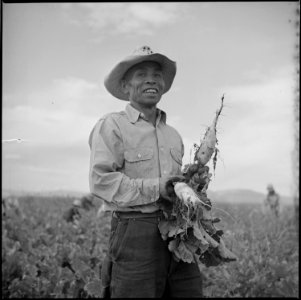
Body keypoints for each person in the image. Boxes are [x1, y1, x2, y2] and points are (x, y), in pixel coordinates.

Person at [89, 45, 206, 298]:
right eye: (141, 74)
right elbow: (101, 181)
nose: (151, 79)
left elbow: (175, 186)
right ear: (125, 86)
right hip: (135, 231)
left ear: (163, 85)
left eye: (156, 74)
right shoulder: (112, 125)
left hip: (179, 231)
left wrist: (193, 183)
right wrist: (157, 187)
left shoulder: (173, 135)